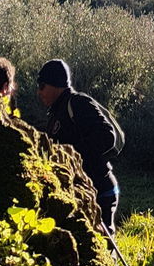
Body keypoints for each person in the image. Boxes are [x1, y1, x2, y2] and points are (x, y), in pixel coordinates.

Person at [37, 58, 120, 236]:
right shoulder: (55, 113)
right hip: (80, 191)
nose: (39, 91)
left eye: (42, 85)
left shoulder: (77, 103)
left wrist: (74, 158)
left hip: (99, 189)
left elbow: (107, 136)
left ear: (55, 84)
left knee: (103, 245)